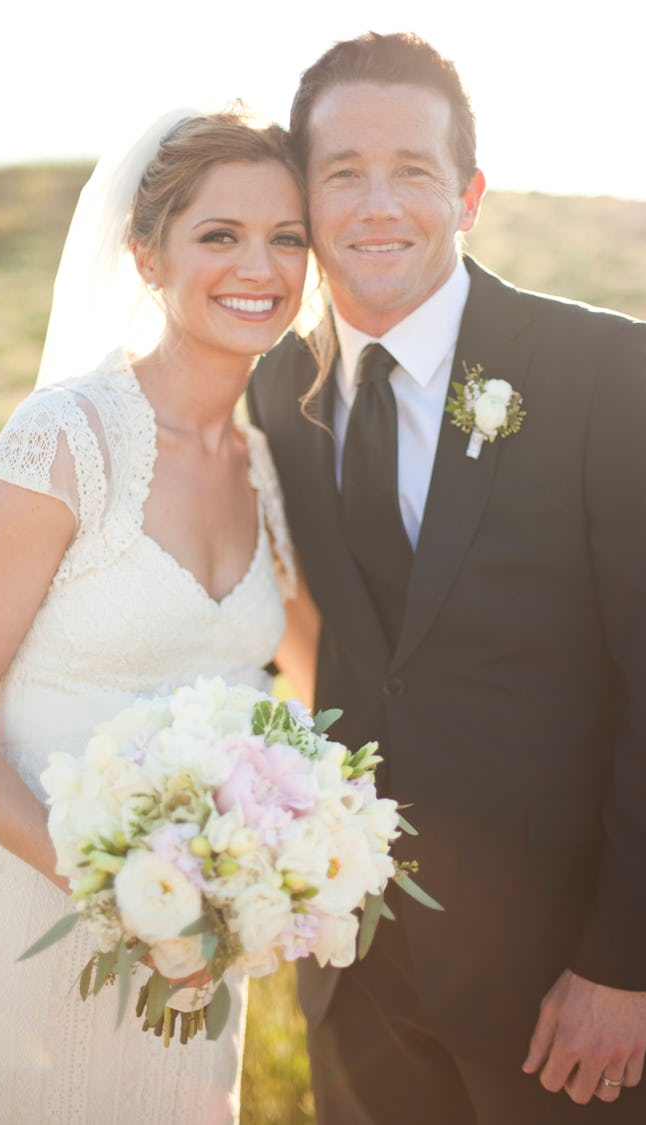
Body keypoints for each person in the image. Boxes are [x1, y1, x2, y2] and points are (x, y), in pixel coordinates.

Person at [248, 31, 646, 1124]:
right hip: (351, 978)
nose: (379, 205)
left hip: (567, 991)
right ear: (305, 202)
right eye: (343, 174)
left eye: (413, 171)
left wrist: (627, 963)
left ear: (467, 196)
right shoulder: (274, 389)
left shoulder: (608, 373)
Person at [0, 106, 317, 1123]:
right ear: (145, 255)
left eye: (287, 236)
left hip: (200, 960)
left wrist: (290, 845)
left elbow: (316, 683)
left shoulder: (265, 467)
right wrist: (121, 894)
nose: (258, 265)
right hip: (31, 931)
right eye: (218, 234)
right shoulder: (66, 440)